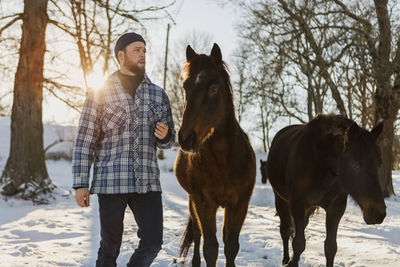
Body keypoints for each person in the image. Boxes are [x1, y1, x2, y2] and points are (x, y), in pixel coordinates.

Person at [72, 32, 175, 267]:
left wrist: (166, 136)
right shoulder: (99, 93)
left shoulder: (158, 94)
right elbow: (85, 141)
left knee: (153, 242)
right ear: (121, 55)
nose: (143, 54)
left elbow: (169, 141)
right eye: (137, 49)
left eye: (145, 50)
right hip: (111, 181)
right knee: (109, 248)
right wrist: (80, 184)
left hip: (147, 182)